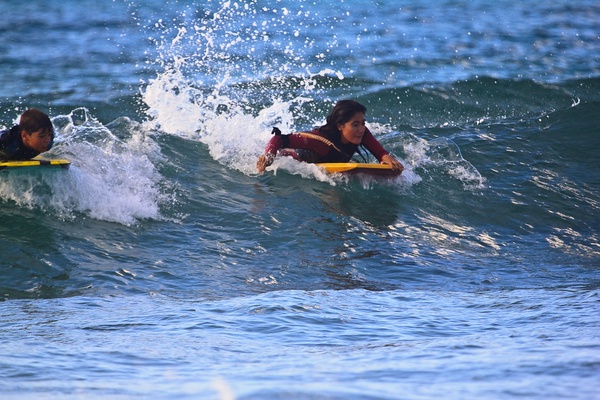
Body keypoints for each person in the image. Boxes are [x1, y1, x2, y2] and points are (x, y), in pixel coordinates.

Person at [257, 100, 403, 173]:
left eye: (363, 123)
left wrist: (386, 157)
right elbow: (279, 139)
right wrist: (269, 156)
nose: (361, 129)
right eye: (355, 124)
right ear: (340, 125)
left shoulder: (362, 133)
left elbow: (380, 153)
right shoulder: (319, 140)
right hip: (295, 157)